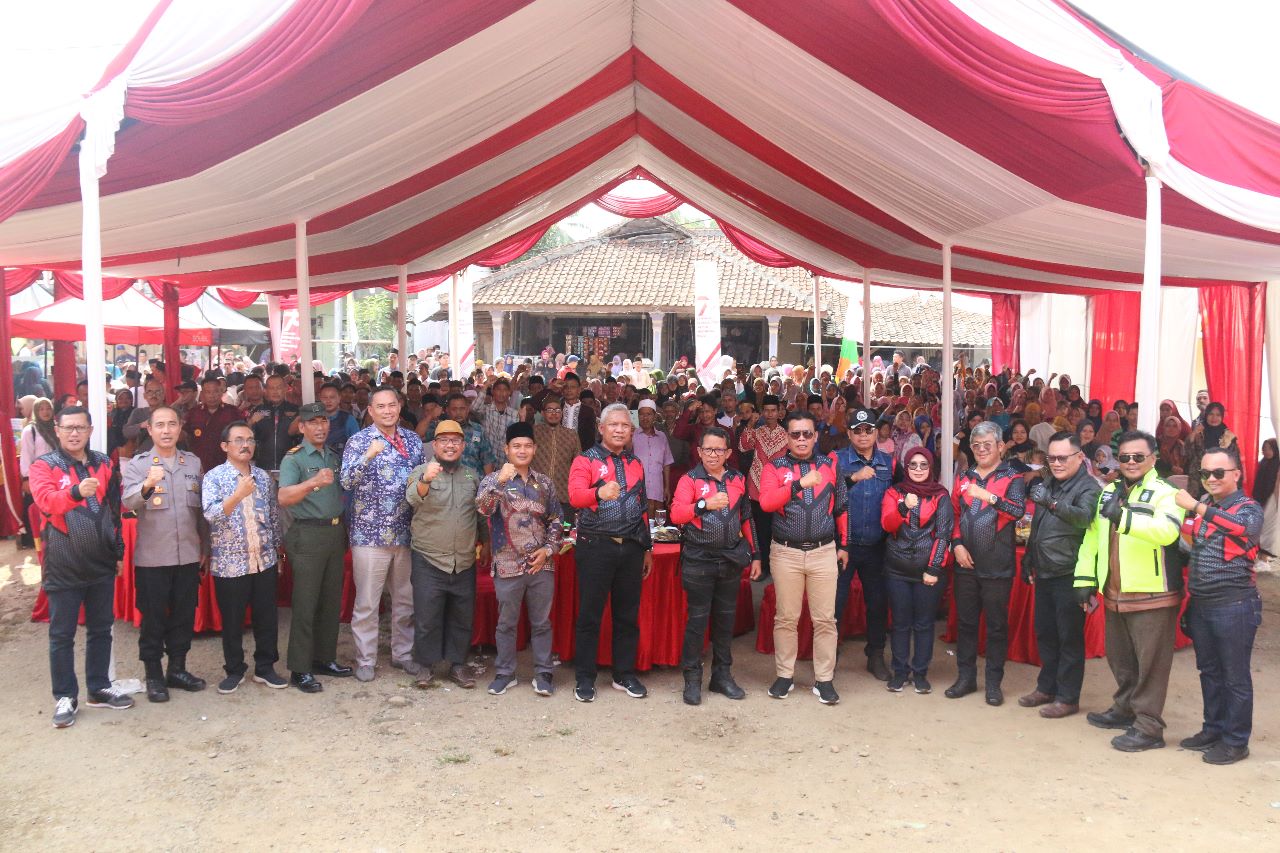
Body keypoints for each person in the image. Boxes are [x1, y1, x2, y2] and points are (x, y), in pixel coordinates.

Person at [1074, 431, 1185, 752]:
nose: (1131, 462)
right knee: (1121, 658)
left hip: (1153, 592)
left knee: (1150, 663)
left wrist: (1123, 518)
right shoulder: (1107, 491)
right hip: (1114, 591)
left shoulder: (1166, 492)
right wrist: (1084, 579)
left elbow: (1167, 532)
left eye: (1138, 456)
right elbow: (1092, 538)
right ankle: (1125, 708)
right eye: (1125, 457)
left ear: (1153, 458)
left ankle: (1149, 726)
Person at [29, 406, 131, 728]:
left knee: (102, 628)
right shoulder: (43, 466)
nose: (75, 433)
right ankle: (65, 696)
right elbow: (46, 502)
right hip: (63, 562)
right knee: (62, 635)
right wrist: (75, 491)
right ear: (56, 430)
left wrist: (118, 550)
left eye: (81, 427)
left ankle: (98, 687)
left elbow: (115, 510)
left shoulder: (103, 462)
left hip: (100, 561)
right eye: (68, 427)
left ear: (90, 430)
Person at [1172, 445, 1263, 765]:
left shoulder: (1247, 507)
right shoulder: (1205, 506)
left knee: (1234, 676)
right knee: (1209, 671)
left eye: (1218, 472)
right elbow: (1188, 548)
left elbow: (1244, 529)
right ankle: (1213, 729)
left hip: (1234, 603)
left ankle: (1236, 741)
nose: (1211, 478)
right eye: (1205, 473)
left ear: (1236, 474)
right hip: (1202, 603)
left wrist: (1196, 507)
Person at [759, 410, 848, 705]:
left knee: (825, 620)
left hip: (824, 550)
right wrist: (798, 484)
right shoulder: (775, 466)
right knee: (786, 618)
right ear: (786, 437)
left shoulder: (829, 464)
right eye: (795, 434)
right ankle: (785, 675)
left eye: (806, 434)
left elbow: (842, 507)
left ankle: (824, 680)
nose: (801, 439)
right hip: (786, 552)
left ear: (815, 436)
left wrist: (844, 545)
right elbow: (767, 502)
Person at [121, 406, 209, 703]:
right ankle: (154, 675)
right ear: (149, 428)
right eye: (160, 425)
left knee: (184, 616)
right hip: (153, 558)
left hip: (187, 555)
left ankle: (178, 669)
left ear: (180, 427)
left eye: (172, 424)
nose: (167, 430)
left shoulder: (193, 463)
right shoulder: (138, 464)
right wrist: (147, 484)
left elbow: (200, 513)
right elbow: (128, 503)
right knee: (154, 618)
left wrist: (205, 548)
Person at [567, 403, 654, 703]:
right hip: (595, 546)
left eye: (625, 426)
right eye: (613, 425)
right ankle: (585, 677)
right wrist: (597, 493)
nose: (619, 430)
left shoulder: (636, 463)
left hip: (631, 547)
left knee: (627, 615)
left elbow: (642, 508)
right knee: (590, 615)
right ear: (601, 429)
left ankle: (624, 674)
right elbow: (575, 497)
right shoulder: (585, 460)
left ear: (631, 431)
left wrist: (647, 548)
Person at [669, 427, 760, 705]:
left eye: (718, 450)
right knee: (697, 622)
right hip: (698, 558)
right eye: (707, 449)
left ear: (728, 453)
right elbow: (676, 514)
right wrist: (703, 504)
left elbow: (746, 518)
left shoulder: (737, 479)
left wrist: (755, 554)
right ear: (699, 451)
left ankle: (721, 676)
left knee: (724, 622)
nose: (712, 454)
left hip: (730, 558)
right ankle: (692, 679)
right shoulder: (689, 479)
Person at [340, 388, 424, 681]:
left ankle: (403, 655)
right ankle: (365, 659)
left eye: (392, 405)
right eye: (381, 406)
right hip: (369, 535)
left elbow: (419, 483)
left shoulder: (413, 440)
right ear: (371, 411)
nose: (387, 411)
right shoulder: (359, 441)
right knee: (367, 602)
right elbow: (346, 482)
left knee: (405, 600)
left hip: (406, 534)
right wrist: (366, 456)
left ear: (399, 408)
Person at [477, 421, 563, 696]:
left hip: (542, 564)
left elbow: (557, 520)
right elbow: (483, 509)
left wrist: (548, 549)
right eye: (517, 446)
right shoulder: (493, 480)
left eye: (527, 445)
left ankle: (543, 673)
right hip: (507, 563)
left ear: (535, 448)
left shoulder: (545, 483)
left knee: (541, 622)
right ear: (506, 449)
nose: (522, 450)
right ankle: (505, 673)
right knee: (506, 623)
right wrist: (500, 481)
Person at [1019, 432, 1101, 719]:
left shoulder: (1090, 487)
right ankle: (1047, 687)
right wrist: (1029, 557)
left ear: (1080, 457)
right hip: (1045, 569)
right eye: (1051, 457)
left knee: (1069, 638)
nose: (1055, 463)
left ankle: (1068, 697)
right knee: (1046, 633)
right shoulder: (1050, 482)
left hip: (1070, 573)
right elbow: (1038, 525)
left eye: (1062, 457)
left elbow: (1084, 517)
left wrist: (1051, 503)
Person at [202, 422, 285, 694]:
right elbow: (211, 515)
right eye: (238, 440)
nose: (245, 445)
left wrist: (277, 549)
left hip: (264, 558)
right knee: (233, 619)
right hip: (230, 562)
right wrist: (237, 495)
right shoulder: (213, 478)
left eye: (249, 439)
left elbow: (273, 516)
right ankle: (234, 670)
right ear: (225, 446)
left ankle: (265, 667)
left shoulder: (263, 477)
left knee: (266, 617)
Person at [948, 420, 1027, 706]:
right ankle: (966, 678)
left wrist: (990, 496)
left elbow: (1017, 511)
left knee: (996, 626)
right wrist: (956, 544)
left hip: (997, 565)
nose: (982, 450)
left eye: (987, 445)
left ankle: (994, 683)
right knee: (966, 624)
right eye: (976, 445)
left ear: (1001, 447)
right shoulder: (964, 476)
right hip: (965, 564)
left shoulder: (1013, 477)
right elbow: (953, 515)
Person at [277, 403, 352, 693]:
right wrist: (312, 483)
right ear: (302, 427)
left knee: (330, 601)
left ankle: (324, 658)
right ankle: (300, 668)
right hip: (307, 533)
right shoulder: (294, 459)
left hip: (334, 532)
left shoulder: (332, 455)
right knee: (306, 602)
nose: (320, 427)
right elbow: (284, 497)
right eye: (313, 422)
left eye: (324, 421)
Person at [405, 419, 485, 689]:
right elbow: (412, 498)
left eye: (455, 441)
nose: (449, 445)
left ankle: (458, 665)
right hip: (429, 557)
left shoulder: (472, 476)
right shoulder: (420, 471)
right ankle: (425, 666)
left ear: (463, 446)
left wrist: (484, 544)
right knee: (427, 615)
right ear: (435, 445)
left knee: (462, 616)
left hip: (463, 559)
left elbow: (480, 514)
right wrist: (427, 479)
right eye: (444, 441)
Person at [880, 446, 952, 694]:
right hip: (896, 569)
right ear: (906, 467)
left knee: (924, 624)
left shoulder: (941, 495)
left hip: (927, 570)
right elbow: (887, 525)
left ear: (931, 468)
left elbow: (943, 535)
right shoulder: (894, 492)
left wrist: (933, 568)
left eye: (924, 465)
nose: (919, 469)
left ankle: (920, 673)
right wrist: (903, 508)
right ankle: (900, 672)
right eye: (913, 465)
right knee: (900, 623)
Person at [834, 407, 895, 680]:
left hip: (877, 546)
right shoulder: (836, 460)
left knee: (878, 604)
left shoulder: (890, 463)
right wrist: (852, 478)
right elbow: (826, 494)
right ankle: (828, 656)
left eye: (868, 430)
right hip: (843, 545)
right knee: (834, 604)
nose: (863, 435)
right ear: (849, 433)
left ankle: (876, 655)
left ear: (876, 433)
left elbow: (900, 496)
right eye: (857, 431)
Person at [738, 394, 788, 581]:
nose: (769, 414)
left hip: (779, 488)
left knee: (778, 530)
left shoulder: (787, 434)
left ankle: (777, 568)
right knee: (759, 529)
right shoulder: (756, 432)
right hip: (756, 488)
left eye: (773, 410)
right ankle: (762, 566)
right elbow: (743, 446)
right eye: (766, 410)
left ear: (779, 412)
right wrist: (750, 424)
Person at [531, 395, 581, 524]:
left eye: (557, 410)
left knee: (565, 539)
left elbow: (578, 467)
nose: (554, 414)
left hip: (563, 497)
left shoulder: (571, 435)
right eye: (549, 410)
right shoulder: (534, 433)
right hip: (536, 496)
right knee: (537, 538)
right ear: (542, 413)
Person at [185, 376, 245, 474]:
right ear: (202, 394)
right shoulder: (194, 413)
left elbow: (243, 435)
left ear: (221, 392)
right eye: (208, 392)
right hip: (200, 468)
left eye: (216, 391)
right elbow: (185, 436)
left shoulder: (232, 412)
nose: (212, 396)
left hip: (227, 467)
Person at [247, 374, 300, 470]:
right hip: (263, 466)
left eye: (278, 387)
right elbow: (247, 437)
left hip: (290, 465)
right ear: (266, 391)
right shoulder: (257, 411)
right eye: (271, 388)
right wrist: (251, 422)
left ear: (285, 389)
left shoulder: (296, 410)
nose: (275, 391)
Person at [632, 400, 673, 513]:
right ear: (637, 416)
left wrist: (667, 487)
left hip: (657, 488)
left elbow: (667, 463)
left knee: (657, 524)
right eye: (642, 414)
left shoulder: (662, 436)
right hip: (637, 490)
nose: (645, 418)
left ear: (655, 416)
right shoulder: (632, 435)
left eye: (649, 414)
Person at [1186, 402, 1237, 489]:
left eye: (1218, 415)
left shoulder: (1228, 436)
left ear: (1222, 417)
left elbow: (1235, 461)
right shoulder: (1199, 433)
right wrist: (1194, 433)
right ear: (1206, 415)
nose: (1214, 418)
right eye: (1211, 414)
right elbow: (1187, 453)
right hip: (1198, 480)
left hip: (1220, 479)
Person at [471, 376, 521, 454]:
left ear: (509, 393)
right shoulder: (486, 410)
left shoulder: (514, 414)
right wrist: (486, 385)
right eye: (498, 389)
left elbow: (515, 438)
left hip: (506, 460)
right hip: (487, 460)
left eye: (505, 390)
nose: (501, 393)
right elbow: (474, 408)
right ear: (493, 391)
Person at [1254, 438, 1280, 561]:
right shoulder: (1262, 462)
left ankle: (1264, 557)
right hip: (1260, 498)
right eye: (1264, 449)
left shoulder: (1277, 464)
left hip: (1271, 499)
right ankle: (1261, 556)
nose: (1266, 451)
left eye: (1270, 448)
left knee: (1267, 528)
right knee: (1261, 527)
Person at [317, 382, 359, 455]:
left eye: (332, 397)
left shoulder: (348, 420)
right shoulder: (313, 419)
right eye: (325, 397)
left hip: (339, 463)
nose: (328, 401)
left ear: (339, 398)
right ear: (320, 398)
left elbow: (358, 446)